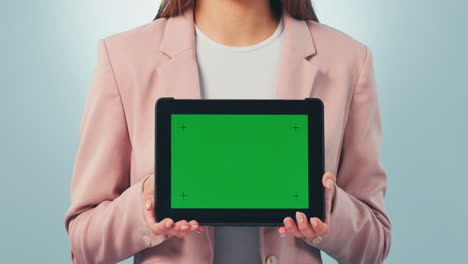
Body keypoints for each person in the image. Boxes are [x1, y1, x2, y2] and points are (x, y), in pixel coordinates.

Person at [64, 0, 392, 263]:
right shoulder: (123, 57)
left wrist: (331, 210)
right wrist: (145, 204)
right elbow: (85, 244)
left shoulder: (348, 59)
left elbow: (374, 246)